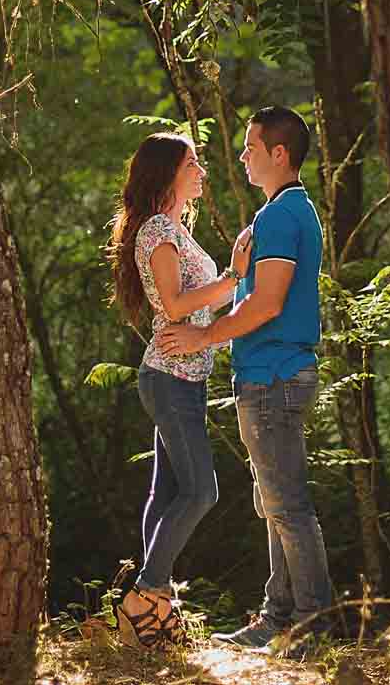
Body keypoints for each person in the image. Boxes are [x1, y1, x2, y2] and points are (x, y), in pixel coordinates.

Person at [155, 105, 335, 655]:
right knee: (274, 502)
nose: (241, 156)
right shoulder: (284, 211)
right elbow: (252, 293)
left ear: (279, 154)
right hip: (269, 375)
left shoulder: (281, 216)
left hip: (274, 376)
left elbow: (268, 302)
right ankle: (278, 618)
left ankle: (311, 626)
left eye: (251, 147)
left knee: (288, 506)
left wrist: (202, 339)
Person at [99, 130, 250, 650]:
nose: (202, 173)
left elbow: (193, 304)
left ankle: (156, 611)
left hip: (183, 379)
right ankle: (145, 595)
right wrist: (233, 277)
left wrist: (229, 282)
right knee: (201, 491)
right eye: (193, 164)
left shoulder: (173, 229)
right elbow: (175, 303)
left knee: (166, 494)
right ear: (167, 173)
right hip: (169, 379)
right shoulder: (158, 231)